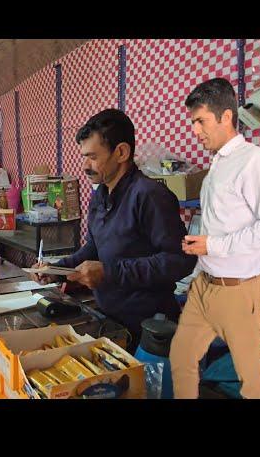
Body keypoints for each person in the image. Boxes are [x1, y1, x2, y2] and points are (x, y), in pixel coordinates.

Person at [31, 109, 197, 351]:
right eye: (83, 157)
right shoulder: (100, 194)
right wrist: (58, 270)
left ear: (121, 152)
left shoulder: (150, 195)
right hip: (110, 319)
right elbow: (94, 248)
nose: (85, 166)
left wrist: (111, 272)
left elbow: (181, 260)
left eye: (92, 157)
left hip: (150, 329)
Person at [170, 77, 260, 399]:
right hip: (207, 283)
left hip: (240, 289)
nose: (195, 130)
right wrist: (200, 265)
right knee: (182, 358)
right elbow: (218, 226)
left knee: (249, 375)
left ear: (226, 117)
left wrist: (214, 246)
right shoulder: (217, 164)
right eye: (193, 121)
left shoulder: (255, 160)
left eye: (200, 121)